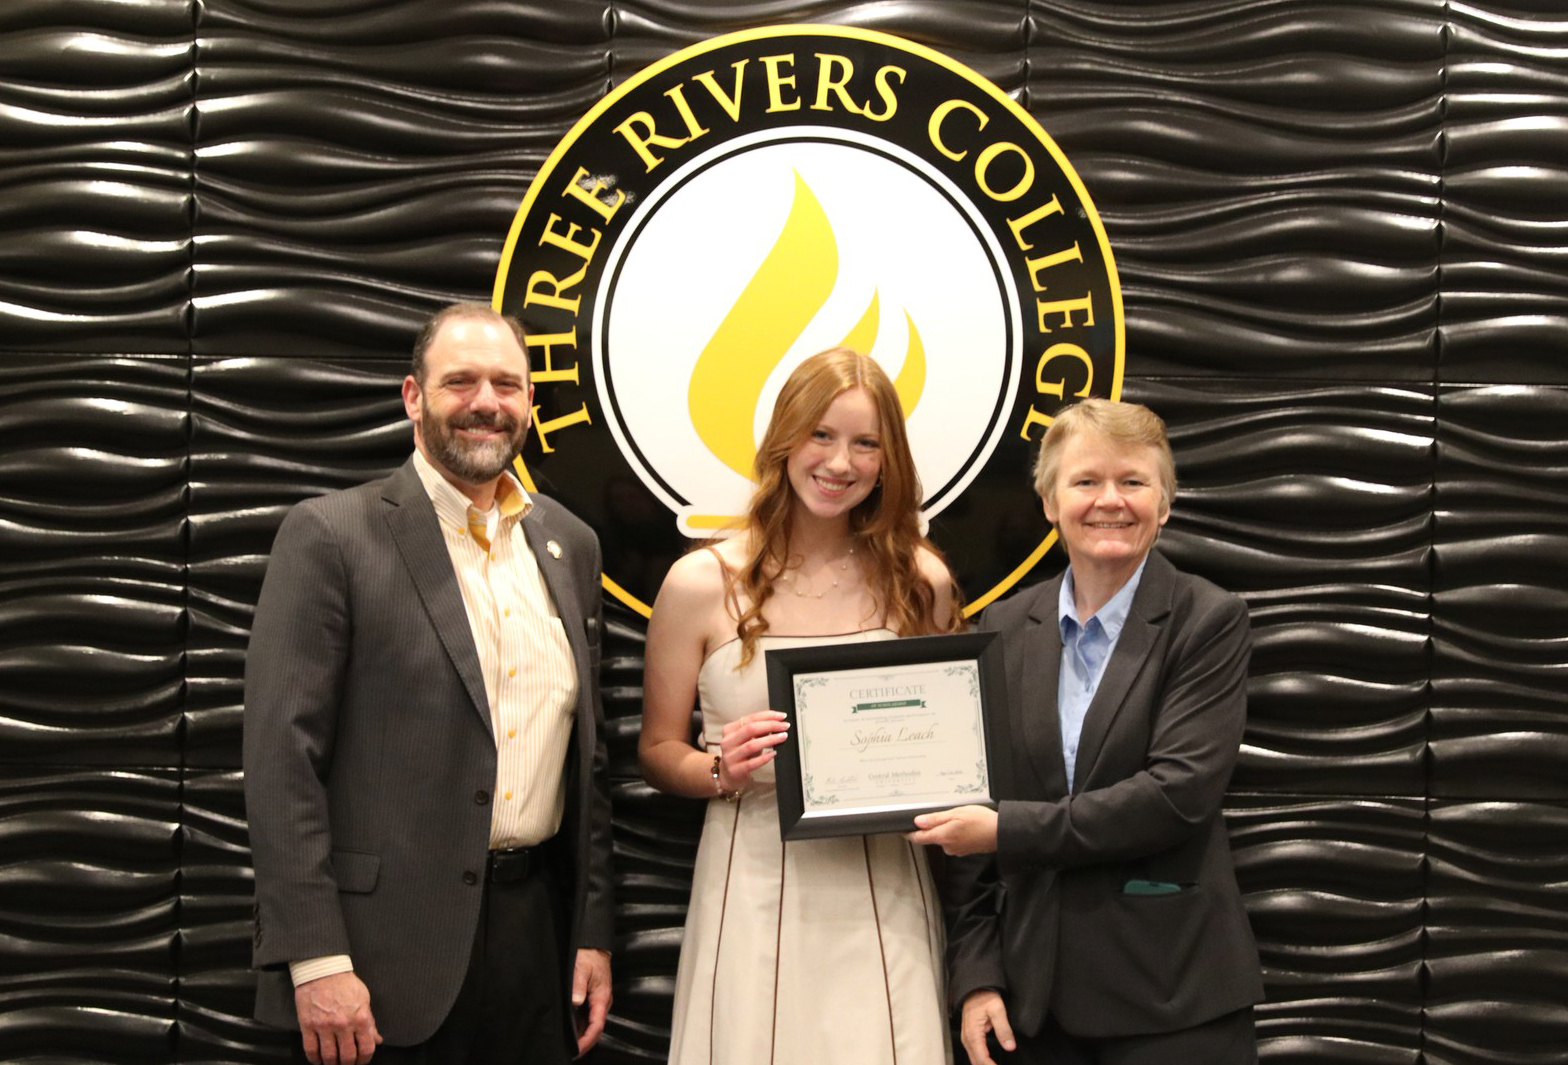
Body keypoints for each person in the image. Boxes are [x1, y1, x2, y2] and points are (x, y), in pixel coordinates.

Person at [243, 303, 614, 1065]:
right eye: (461, 381)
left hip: (534, 943)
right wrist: (316, 959)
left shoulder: (569, 544)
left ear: (531, 403)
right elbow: (282, 763)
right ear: (413, 396)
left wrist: (591, 931)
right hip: (379, 964)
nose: (487, 401)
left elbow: (590, 763)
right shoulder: (331, 535)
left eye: (508, 384)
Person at [909, 399, 1263, 1065]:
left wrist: (1008, 828)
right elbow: (973, 811)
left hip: (1172, 997)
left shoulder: (1207, 620)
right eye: (1085, 481)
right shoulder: (1004, 628)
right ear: (1049, 502)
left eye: (1134, 481)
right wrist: (978, 974)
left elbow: (1175, 796)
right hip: (1030, 1006)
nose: (1111, 501)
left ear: (1164, 503)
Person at [639, 348, 961, 1065]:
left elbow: (955, 743)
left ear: (888, 460)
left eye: (865, 442)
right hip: (750, 881)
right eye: (821, 434)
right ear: (784, 437)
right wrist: (719, 768)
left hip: (886, 894)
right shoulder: (699, 581)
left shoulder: (921, 579)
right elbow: (658, 750)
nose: (840, 462)